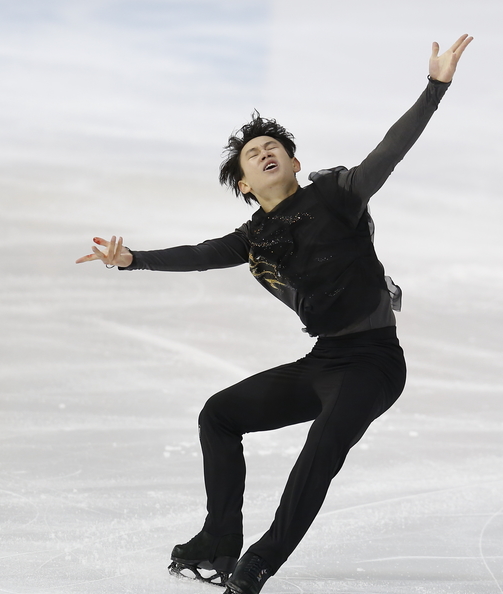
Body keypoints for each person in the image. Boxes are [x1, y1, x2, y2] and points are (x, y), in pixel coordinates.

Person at [77, 34, 473, 594]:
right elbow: (198, 255)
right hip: (325, 360)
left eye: (274, 147)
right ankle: (219, 541)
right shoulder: (253, 237)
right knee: (219, 414)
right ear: (244, 183)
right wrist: (132, 259)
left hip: (374, 363)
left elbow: (391, 149)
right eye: (253, 153)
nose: (266, 152)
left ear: (294, 161)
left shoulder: (339, 196)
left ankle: (260, 561)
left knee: (321, 450)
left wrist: (434, 88)